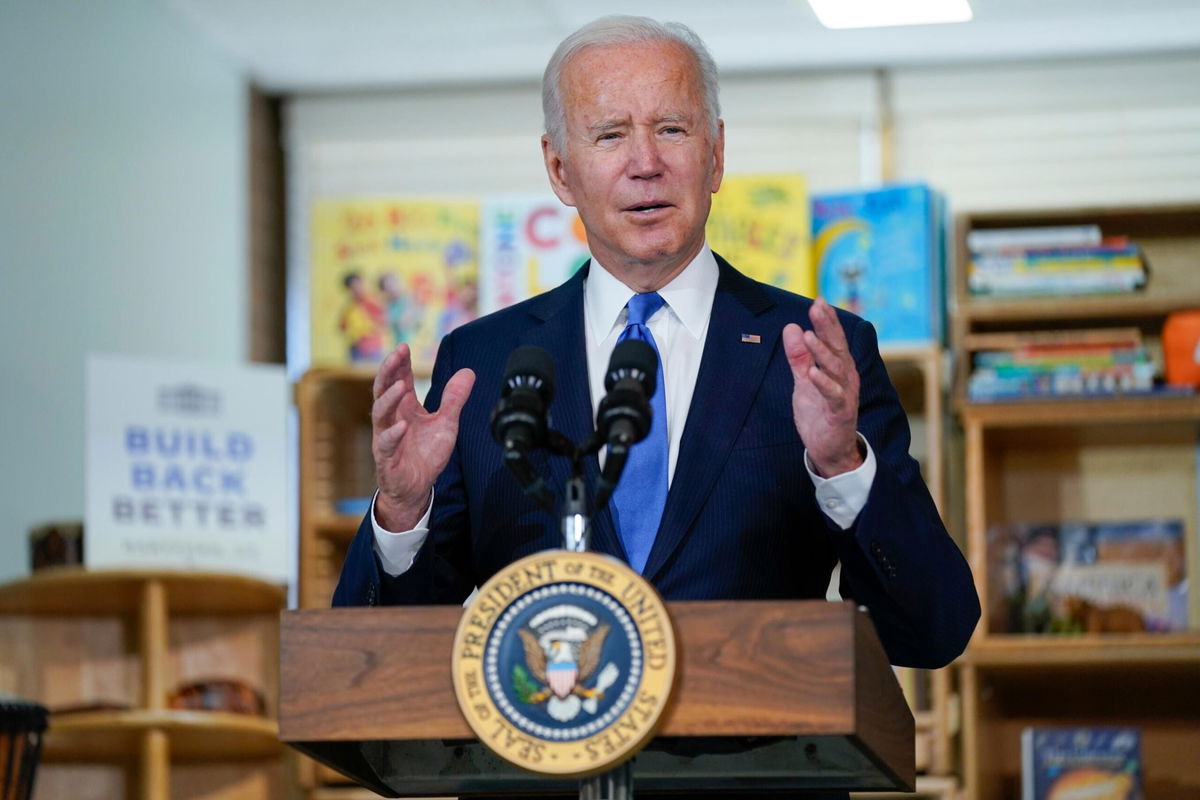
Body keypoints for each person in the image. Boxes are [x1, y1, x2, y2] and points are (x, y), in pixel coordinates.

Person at [333, 15, 979, 673]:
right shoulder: (484, 365)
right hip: (539, 767)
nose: (646, 164)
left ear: (717, 154)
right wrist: (403, 512)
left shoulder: (816, 354)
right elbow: (373, 661)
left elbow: (935, 630)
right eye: (610, 136)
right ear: (560, 169)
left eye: (672, 129)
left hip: (755, 767)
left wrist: (844, 466)